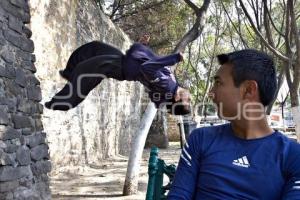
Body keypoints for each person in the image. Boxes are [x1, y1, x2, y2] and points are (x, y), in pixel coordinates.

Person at [168, 49, 300, 199]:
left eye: (218, 83)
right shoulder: (201, 139)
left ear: (249, 90)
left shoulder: (293, 156)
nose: (211, 92)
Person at [45, 34, 191, 115]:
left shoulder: (167, 86)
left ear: (177, 98)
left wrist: (174, 58)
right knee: (94, 48)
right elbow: (150, 63)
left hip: (121, 68)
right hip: (124, 61)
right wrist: (142, 46)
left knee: (85, 71)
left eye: (187, 101)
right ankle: (69, 73)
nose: (189, 98)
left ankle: (58, 103)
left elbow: (147, 68)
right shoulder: (173, 85)